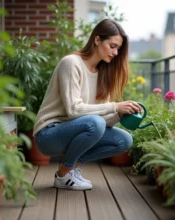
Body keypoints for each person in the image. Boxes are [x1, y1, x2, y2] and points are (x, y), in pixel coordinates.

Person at [33, 19, 141, 191]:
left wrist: (120, 114)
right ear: (97, 40)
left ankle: (68, 169)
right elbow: (73, 109)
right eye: (112, 46)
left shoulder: (103, 74)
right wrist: (115, 106)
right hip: (49, 134)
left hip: (75, 129)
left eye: (118, 49)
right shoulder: (71, 63)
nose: (115, 52)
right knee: (94, 122)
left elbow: (102, 121)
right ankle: (64, 175)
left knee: (123, 140)